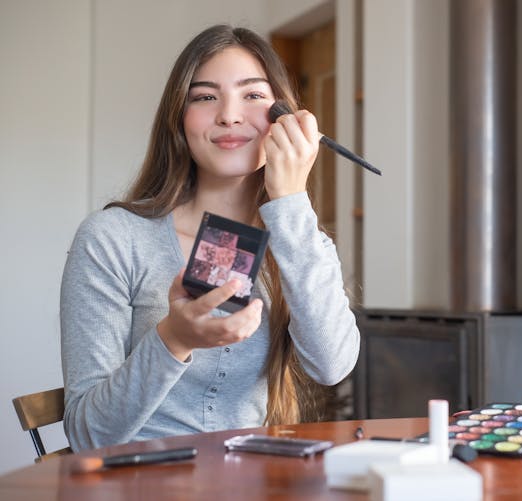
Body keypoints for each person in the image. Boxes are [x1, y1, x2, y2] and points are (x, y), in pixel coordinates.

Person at [60, 24, 360, 452]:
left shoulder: (299, 242)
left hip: (249, 481)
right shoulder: (112, 238)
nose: (230, 115)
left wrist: (291, 202)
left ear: (286, 118)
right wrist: (174, 340)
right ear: (179, 119)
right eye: (205, 97)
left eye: (253, 95)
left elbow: (331, 366)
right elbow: (87, 435)